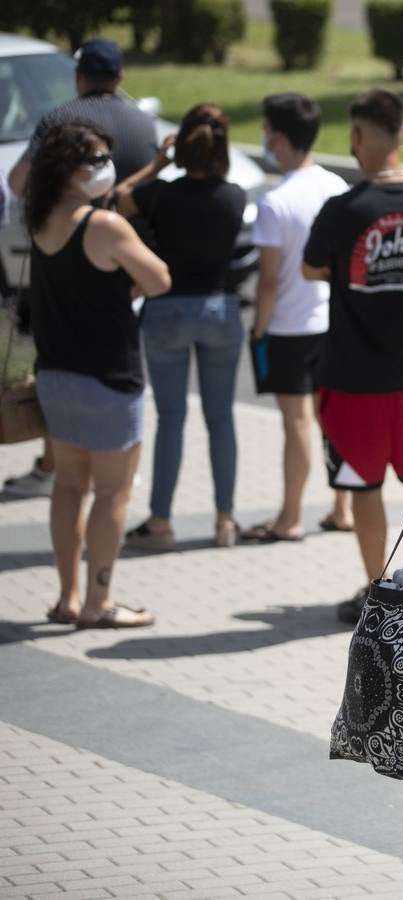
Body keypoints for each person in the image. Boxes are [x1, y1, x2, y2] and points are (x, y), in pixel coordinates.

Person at [301, 88, 403, 624]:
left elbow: (311, 269)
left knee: (362, 485)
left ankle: (379, 592)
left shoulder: (343, 210)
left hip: (352, 377)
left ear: (359, 137)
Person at [25, 122, 170, 628]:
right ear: (69, 169)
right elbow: (159, 278)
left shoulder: (40, 218)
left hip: (56, 374)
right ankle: (97, 602)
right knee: (113, 493)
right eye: (97, 159)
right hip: (109, 378)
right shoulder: (104, 226)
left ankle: (66, 596)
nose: (106, 167)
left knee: (68, 485)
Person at [5, 38, 159, 499]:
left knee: (68, 373)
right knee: (119, 379)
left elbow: (18, 183)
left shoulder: (60, 121)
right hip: (128, 271)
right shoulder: (142, 121)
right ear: (121, 77)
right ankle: (118, 467)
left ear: (78, 76)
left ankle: (59, 466)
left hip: (71, 269)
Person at [113, 103, 246, 551]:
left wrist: (157, 163)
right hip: (219, 308)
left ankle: (160, 520)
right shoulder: (234, 196)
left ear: (182, 146)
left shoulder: (160, 194)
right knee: (221, 418)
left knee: (170, 418)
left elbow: (116, 198)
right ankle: (225, 520)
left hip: (167, 309)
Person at [240, 93, 352, 543]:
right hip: (332, 323)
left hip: (288, 326)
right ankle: (344, 507)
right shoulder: (336, 188)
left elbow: (268, 282)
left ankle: (289, 516)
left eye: (266, 131)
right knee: (335, 420)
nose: (264, 139)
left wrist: (259, 327)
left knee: (298, 424)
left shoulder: (275, 203)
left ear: (280, 137)